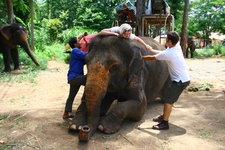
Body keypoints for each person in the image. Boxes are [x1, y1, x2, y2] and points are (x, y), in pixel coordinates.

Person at [142, 31, 190, 130]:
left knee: (168, 101)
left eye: (167, 38)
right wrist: (152, 49)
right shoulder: (176, 47)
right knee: (169, 98)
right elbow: (162, 53)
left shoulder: (170, 53)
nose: (165, 40)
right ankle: (164, 116)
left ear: (170, 41)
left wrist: (140, 57)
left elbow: (152, 58)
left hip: (180, 81)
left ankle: (164, 123)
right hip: (183, 78)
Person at [62, 37, 87, 119]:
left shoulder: (76, 52)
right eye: (79, 41)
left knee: (71, 95)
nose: (81, 42)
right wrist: (91, 48)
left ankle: (66, 113)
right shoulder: (75, 51)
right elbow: (87, 56)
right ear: (75, 44)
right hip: (76, 77)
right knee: (90, 80)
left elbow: (85, 60)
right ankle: (85, 101)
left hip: (73, 78)